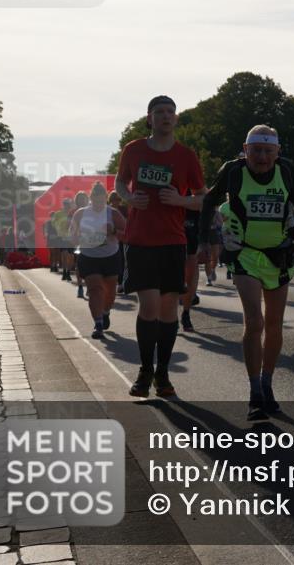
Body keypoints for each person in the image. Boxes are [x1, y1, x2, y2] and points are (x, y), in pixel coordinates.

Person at [199, 126, 294, 420]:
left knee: (274, 324)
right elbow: (209, 200)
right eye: (256, 150)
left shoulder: (286, 171)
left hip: (279, 254)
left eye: (268, 151)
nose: (262, 156)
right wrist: (200, 241)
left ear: (277, 152)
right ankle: (254, 393)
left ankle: (267, 384)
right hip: (244, 253)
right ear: (245, 150)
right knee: (255, 321)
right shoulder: (233, 171)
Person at [115, 95, 206, 398]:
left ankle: (162, 371)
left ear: (176, 118)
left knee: (169, 309)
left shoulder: (186, 156)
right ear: (149, 118)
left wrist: (181, 200)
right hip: (140, 239)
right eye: (159, 112)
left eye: (170, 111)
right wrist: (128, 198)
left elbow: (203, 197)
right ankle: (144, 370)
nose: (166, 116)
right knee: (150, 305)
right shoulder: (134, 150)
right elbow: (119, 183)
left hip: (172, 240)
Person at [69, 182, 126, 338]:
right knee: (95, 289)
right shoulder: (80, 214)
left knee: (110, 292)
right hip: (89, 257)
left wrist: (113, 231)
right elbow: (72, 237)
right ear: (91, 198)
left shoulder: (113, 213)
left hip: (111, 256)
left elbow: (128, 234)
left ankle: (106, 312)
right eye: (96, 201)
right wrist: (79, 238)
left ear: (105, 200)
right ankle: (98, 323)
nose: (99, 205)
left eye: (102, 201)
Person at [179, 208, 201, 332]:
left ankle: (185, 313)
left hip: (192, 239)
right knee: (173, 280)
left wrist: (204, 242)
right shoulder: (167, 190)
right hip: (171, 241)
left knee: (190, 279)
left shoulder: (196, 192)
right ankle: (170, 317)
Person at [50, 198, 74, 281]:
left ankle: (68, 271)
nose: (67, 206)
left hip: (71, 237)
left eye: (68, 204)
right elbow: (52, 223)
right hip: (62, 236)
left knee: (70, 255)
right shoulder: (58, 214)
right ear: (63, 205)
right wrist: (58, 227)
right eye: (66, 204)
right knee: (64, 254)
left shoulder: (72, 213)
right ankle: (65, 272)